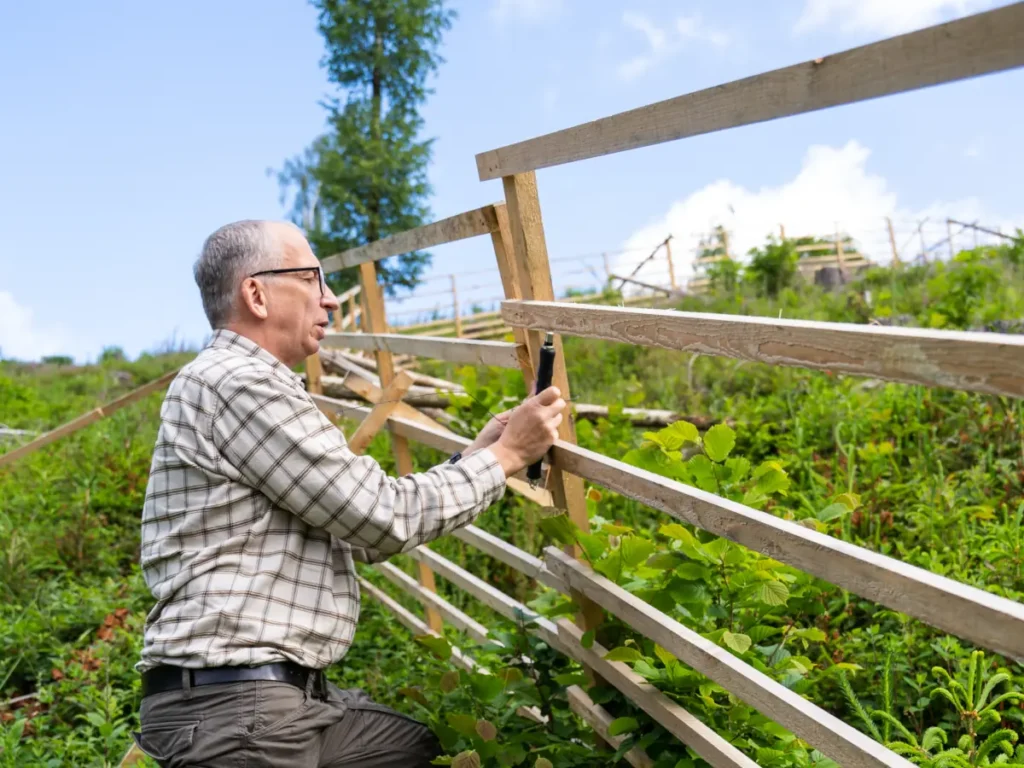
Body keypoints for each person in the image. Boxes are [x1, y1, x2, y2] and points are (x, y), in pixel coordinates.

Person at [132, 220, 565, 767]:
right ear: (257, 293)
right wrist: (505, 458)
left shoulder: (241, 385)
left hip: (274, 700)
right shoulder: (237, 383)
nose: (332, 299)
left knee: (413, 751)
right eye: (312, 278)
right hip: (238, 707)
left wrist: (478, 459)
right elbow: (379, 519)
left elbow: (353, 528)